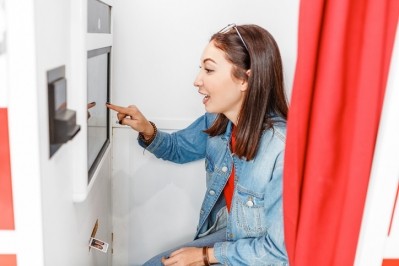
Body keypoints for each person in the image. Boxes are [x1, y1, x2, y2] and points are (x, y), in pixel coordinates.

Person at [106, 23, 289, 265]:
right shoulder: (218, 121)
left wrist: (205, 256)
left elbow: (278, 253)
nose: (197, 80)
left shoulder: (281, 148)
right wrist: (146, 129)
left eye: (209, 70)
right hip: (229, 237)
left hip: (259, 254)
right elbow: (178, 148)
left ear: (245, 79)